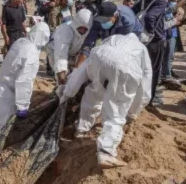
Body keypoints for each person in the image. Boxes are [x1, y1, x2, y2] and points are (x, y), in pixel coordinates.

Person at [59, 33, 152, 167]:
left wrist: (67, 92)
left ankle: (80, 130)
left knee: (94, 93)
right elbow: (146, 79)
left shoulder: (113, 38)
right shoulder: (141, 48)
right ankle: (106, 152)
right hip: (126, 66)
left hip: (99, 56)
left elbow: (81, 71)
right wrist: (134, 111)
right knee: (116, 109)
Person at [0, 21, 51, 129]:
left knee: (3, 124)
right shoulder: (32, 54)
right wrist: (22, 106)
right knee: (4, 127)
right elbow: (24, 81)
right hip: (8, 92)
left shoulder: (21, 41)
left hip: (2, 86)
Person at [141, 0, 182, 105]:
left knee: (145, 70)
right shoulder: (161, 1)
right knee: (154, 71)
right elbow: (150, 17)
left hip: (145, 40)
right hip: (155, 41)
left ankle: (144, 97)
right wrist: (153, 33)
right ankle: (151, 99)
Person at [78, 1, 142, 65]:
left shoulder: (127, 22)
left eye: (106, 20)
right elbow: (90, 40)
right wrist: (79, 65)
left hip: (134, 32)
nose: (102, 22)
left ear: (115, 16)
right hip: (114, 27)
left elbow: (118, 44)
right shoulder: (97, 19)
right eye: (101, 19)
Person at [46, 9, 93, 84]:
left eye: (85, 29)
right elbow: (60, 56)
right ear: (76, 24)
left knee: (74, 75)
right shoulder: (65, 30)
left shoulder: (89, 31)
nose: (82, 31)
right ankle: (59, 91)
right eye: (80, 28)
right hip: (55, 50)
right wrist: (62, 75)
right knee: (60, 76)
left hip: (73, 52)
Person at [161, 0, 180, 83]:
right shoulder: (165, 9)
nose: (174, 3)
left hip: (173, 35)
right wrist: (175, 21)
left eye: (176, 1)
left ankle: (167, 73)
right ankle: (166, 76)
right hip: (166, 36)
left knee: (170, 56)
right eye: (173, 1)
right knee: (167, 56)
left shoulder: (174, 11)